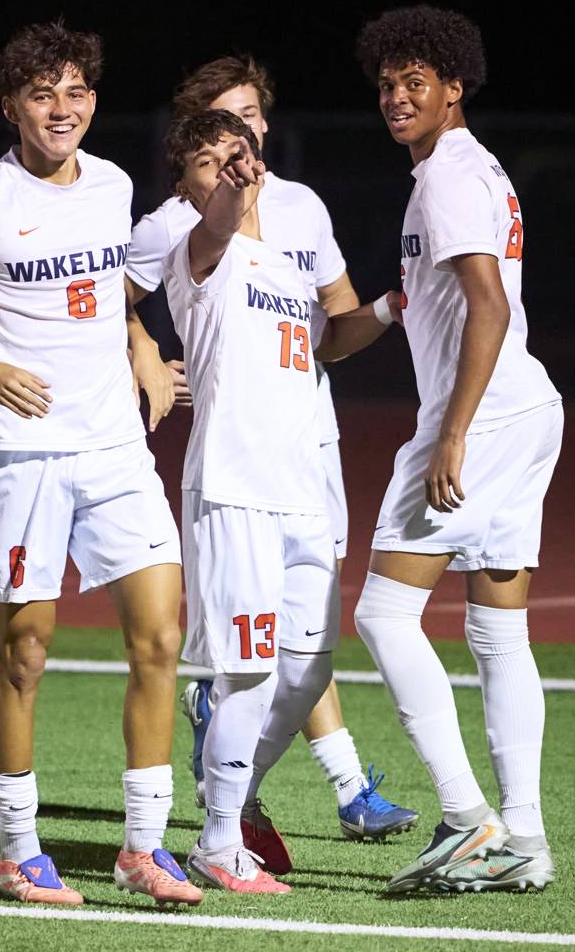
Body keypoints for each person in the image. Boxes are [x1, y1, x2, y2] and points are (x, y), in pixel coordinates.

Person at [0, 20, 202, 908]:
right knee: (24, 655)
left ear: (93, 101)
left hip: (116, 450)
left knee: (160, 638)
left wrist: (142, 344)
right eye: (43, 95)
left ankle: (143, 850)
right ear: (12, 108)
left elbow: (108, 297)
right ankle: (18, 852)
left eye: (76, 92)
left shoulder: (111, 185)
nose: (61, 109)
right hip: (24, 457)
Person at [127, 56, 418, 855]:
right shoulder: (185, 231)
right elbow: (121, 301)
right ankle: (232, 828)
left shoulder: (296, 229)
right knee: (254, 667)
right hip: (235, 477)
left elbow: (332, 331)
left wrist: (396, 305)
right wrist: (146, 358)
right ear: (190, 164)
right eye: (220, 132)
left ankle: (236, 785)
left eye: (251, 119)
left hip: (305, 461)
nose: (243, 140)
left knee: (307, 661)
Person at [352, 5, 563, 893]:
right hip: (528, 411)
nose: (397, 98)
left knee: (381, 616)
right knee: (498, 631)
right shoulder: (474, 169)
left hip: (485, 420)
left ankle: (466, 819)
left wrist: (452, 432)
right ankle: (525, 838)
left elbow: (489, 306)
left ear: (453, 86)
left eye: (415, 83)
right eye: (386, 85)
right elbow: (420, 306)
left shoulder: (445, 175)